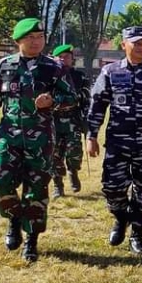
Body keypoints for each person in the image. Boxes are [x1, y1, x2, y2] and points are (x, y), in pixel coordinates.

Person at [0, 18, 75, 262]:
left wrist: (53, 101)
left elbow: (72, 97)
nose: (36, 42)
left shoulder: (54, 68)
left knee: (36, 189)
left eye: (40, 37)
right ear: (18, 40)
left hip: (41, 140)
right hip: (9, 138)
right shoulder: (3, 67)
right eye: (30, 38)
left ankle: (31, 240)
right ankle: (14, 219)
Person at [87, 26, 142, 255]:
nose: (141, 47)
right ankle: (121, 218)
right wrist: (92, 136)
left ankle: (137, 235)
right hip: (117, 142)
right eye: (136, 43)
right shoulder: (110, 71)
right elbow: (97, 104)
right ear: (124, 45)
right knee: (112, 188)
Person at [49, 43, 90, 198]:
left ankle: (73, 172)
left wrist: (86, 119)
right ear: (54, 59)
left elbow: (86, 98)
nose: (63, 59)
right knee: (54, 154)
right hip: (53, 120)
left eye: (66, 57)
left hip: (73, 120)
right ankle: (58, 185)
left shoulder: (79, 76)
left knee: (74, 152)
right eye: (59, 57)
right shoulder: (48, 76)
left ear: (72, 59)